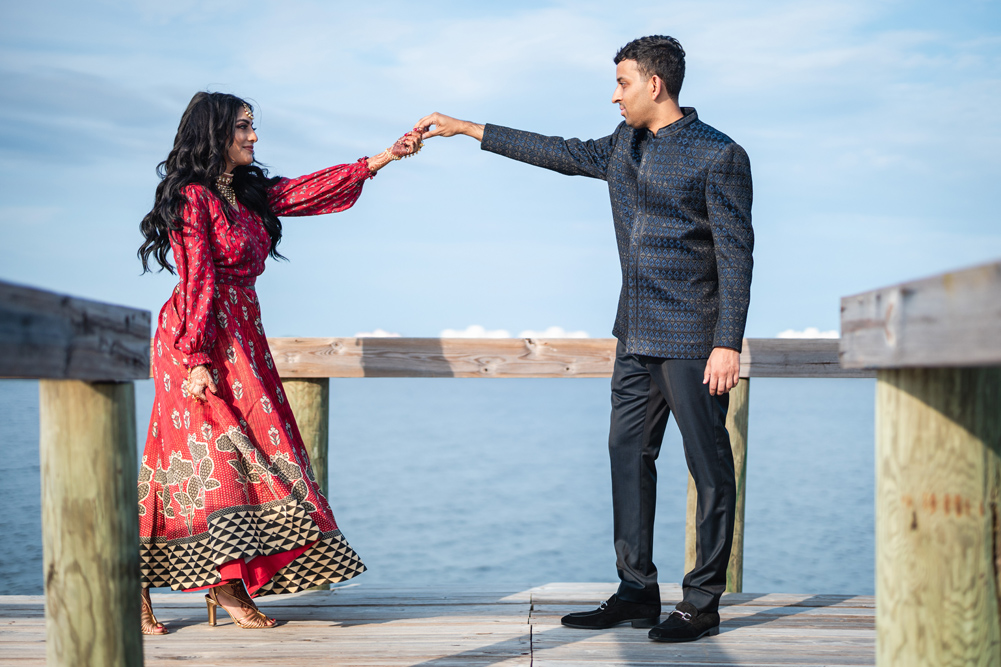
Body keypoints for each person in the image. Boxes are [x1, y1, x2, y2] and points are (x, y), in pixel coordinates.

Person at [416, 35, 752, 643]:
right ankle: (637, 591)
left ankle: (701, 603)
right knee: (628, 456)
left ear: (655, 85)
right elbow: (555, 151)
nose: (614, 95)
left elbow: (736, 255)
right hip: (634, 335)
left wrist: (728, 341)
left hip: (693, 341)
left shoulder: (720, 155)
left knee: (710, 469)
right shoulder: (622, 145)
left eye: (622, 82)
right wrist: (468, 128)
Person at [136, 91, 421, 634]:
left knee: (260, 453)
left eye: (252, 126)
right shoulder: (193, 196)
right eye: (244, 127)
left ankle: (212, 581)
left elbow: (309, 190)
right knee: (205, 461)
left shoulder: (247, 194)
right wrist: (195, 356)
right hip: (197, 336)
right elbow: (198, 276)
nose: (254, 136)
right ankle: (172, 581)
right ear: (216, 133)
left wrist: (382, 159)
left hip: (243, 336)